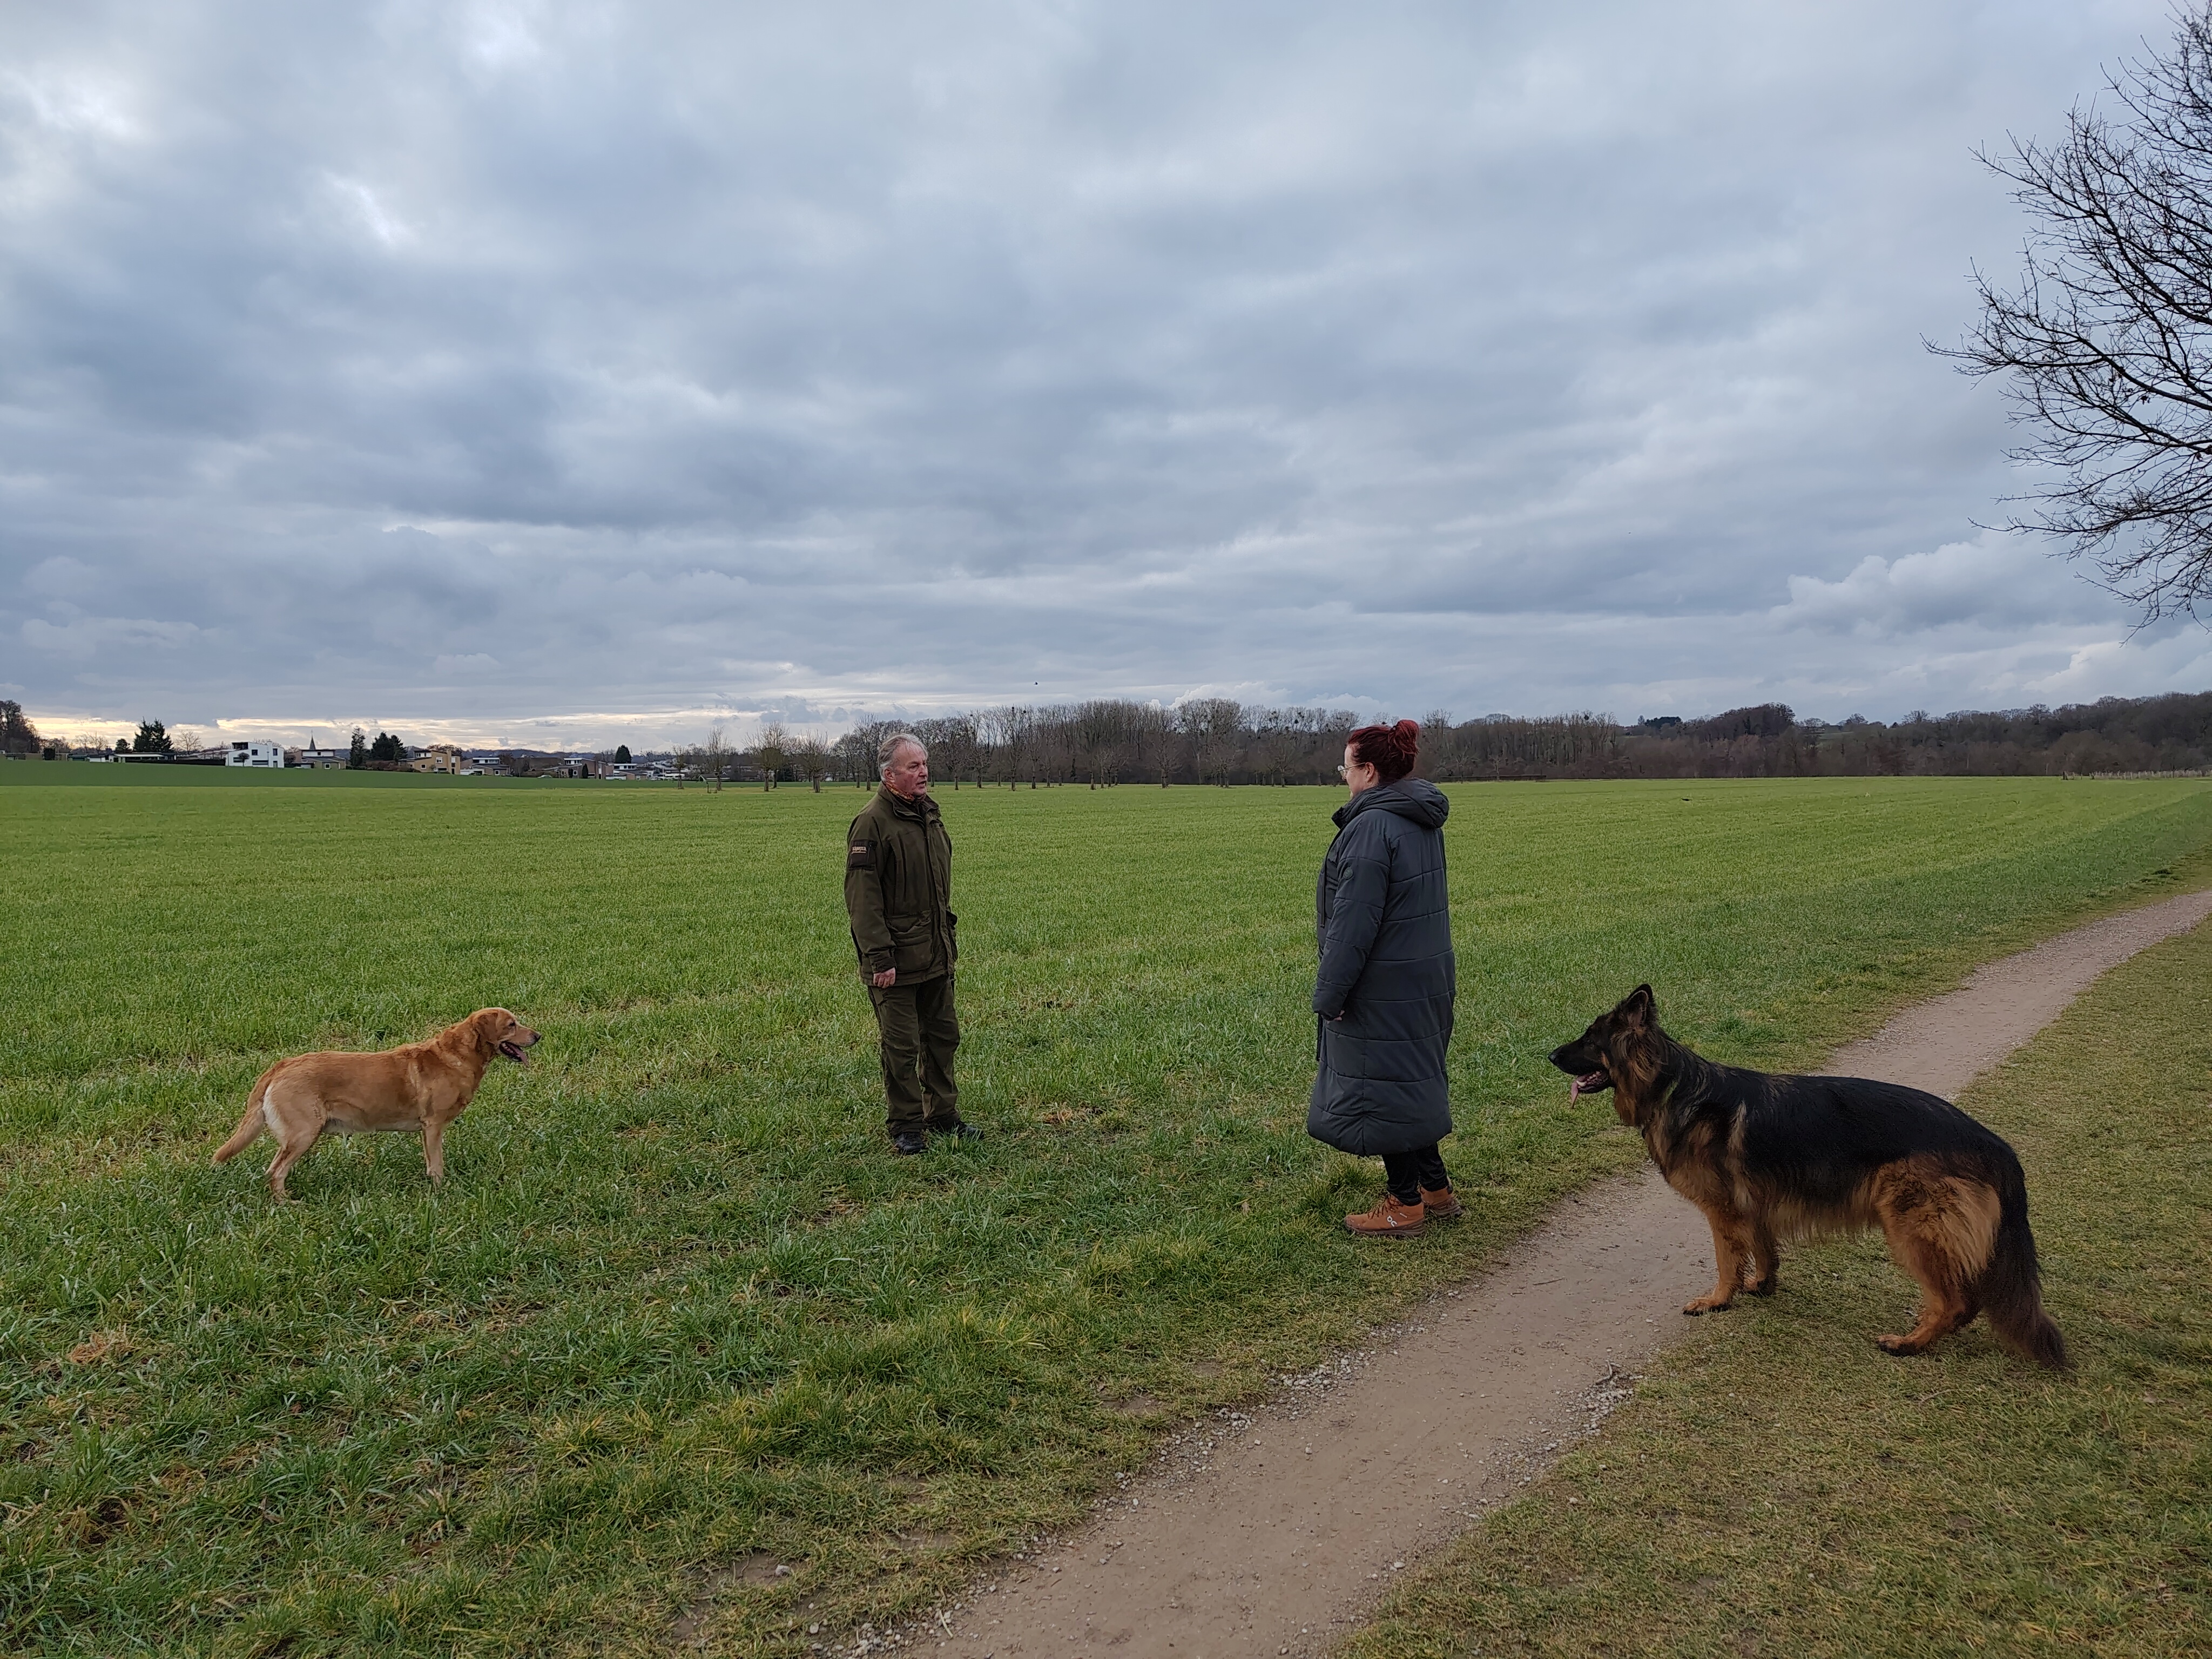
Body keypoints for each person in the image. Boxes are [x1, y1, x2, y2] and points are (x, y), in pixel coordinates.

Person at [1309, 719, 1460, 1237]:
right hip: (1423, 978)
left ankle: (1404, 1204)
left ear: (1369, 771)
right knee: (1410, 1083)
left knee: (1385, 1092)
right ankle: (1437, 1190)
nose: (1343, 778)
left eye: (1345, 769)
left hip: (1383, 984)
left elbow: (1354, 923)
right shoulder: (1418, 818)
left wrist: (1331, 994)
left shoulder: (1372, 827)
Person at [845, 732, 977, 1155]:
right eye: (913, 767)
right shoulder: (872, 823)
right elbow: (863, 900)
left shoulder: (930, 815)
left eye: (924, 765)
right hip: (895, 960)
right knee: (901, 1047)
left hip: (936, 951)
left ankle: (942, 1115)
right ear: (889, 776)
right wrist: (879, 957)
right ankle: (906, 1125)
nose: (924, 773)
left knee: (943, 1037)